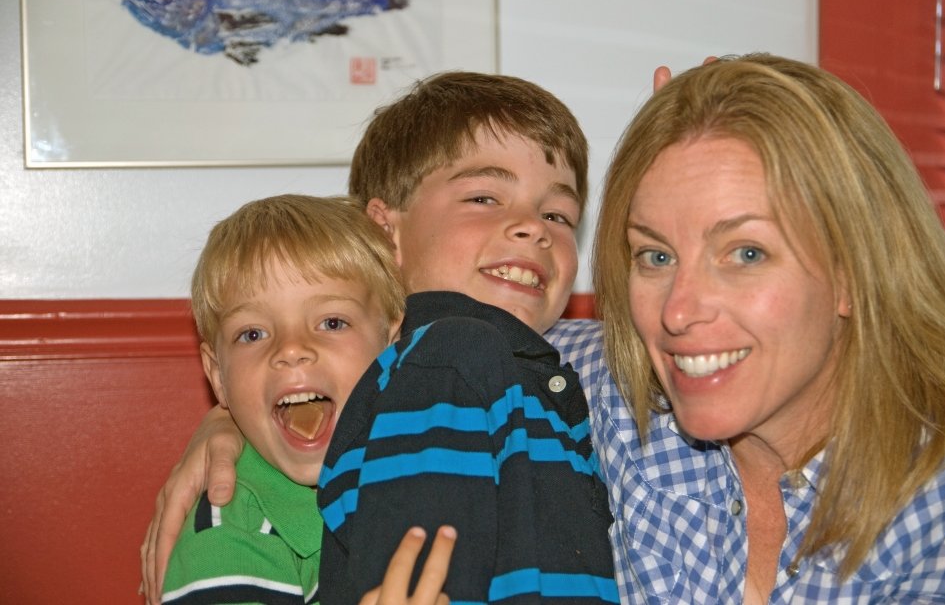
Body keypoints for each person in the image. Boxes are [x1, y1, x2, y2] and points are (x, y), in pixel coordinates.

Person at [141, 71, 618, 605]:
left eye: (557, 214)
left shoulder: (594, 363)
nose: (534, 227)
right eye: (485, 197)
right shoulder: (448, 361)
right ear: (385, 232)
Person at [591, 53, 945, 602]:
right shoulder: (616, 406)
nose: (677, 311)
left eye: (746, 253)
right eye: (657, 255)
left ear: (854, 272)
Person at [160, 194, 406, 603]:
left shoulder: (421, 470)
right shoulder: (228, 539)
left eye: (332, 322)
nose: (291, 349)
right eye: (253, 334)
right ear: (218, 376)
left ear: (392, 347)